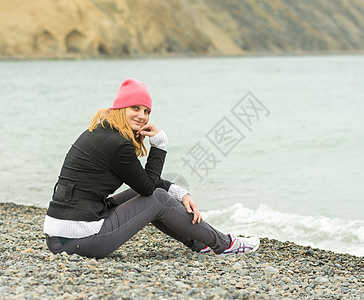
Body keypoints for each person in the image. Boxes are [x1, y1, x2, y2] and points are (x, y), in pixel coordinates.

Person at [43, 78, 260, 259]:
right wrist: (160, 146)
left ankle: (200, 242)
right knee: (157, 199)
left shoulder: (103, 132)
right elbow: (148, 189)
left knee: (157, 194)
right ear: (120, 108)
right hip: (77, 240)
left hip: (64, 234)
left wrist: (179, 192)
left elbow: (141, 183)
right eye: (135, 108)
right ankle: (224, 244)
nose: (142, 116)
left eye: (146, 111)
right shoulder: (118, 143)